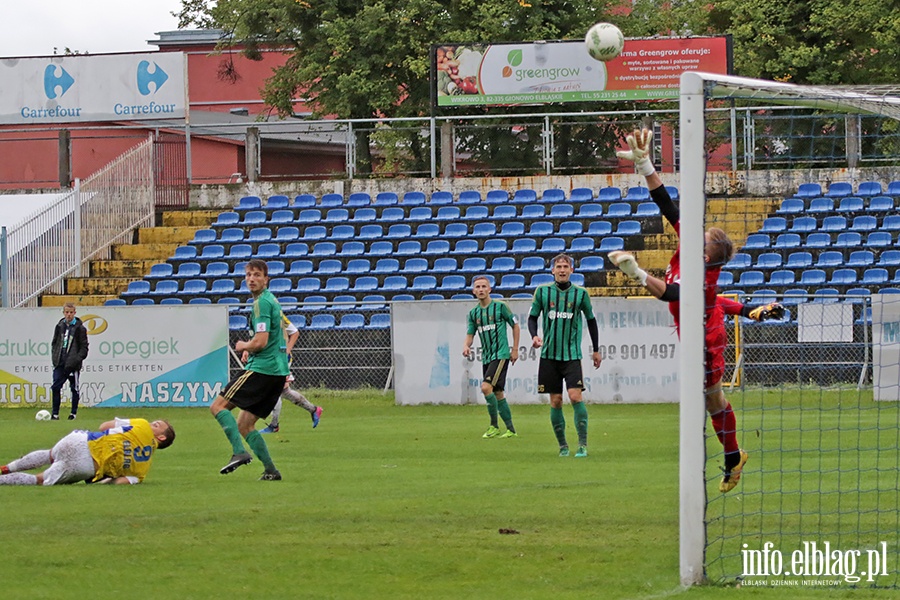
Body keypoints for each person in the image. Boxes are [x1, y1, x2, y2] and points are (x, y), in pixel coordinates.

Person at [609, 127, 783, 492]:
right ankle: (734, 456)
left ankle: (733, 457)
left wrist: (637, 273)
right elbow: (666, 205)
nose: (693, 232)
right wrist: (645, 165)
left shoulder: (702, 277)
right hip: (703, 323)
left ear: (705, 256)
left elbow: (671, 294)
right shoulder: (693, 248)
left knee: (711, 399)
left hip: (705, 342)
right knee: (711, 400)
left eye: (701, 236)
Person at [210, 259, 290, 481]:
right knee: (245, 424)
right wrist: (254, 349)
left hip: (263, 369)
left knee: (218, 406)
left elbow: (261, 341)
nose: (251, 279)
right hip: (276, 372)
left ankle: (239, 452)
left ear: (266, 279)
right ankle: (271, 471)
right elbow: (275, 337)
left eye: (256, 275)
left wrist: (245, 345)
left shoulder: (262, 303)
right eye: (248, 275)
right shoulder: (271, 301)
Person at [528, 254, 602, 457]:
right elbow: (532, 317)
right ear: (552, 270)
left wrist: (596, 349)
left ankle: (583, 444)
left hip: (571, 355)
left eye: (565, 267)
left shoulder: (580, 294)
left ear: (571, 271)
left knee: (575, 395)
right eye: (558, 266)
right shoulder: (543, 292)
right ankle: (563, 447)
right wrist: (534, 336)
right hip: (549, 355)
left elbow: (591, 321)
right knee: (556, 401)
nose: (562, 270)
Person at [0, 417, 175, 486]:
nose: (152, 423)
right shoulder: (142, 470)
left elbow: (104, 426)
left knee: (50, 454)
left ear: (161, 438)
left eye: (157, 425)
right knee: (39, 480)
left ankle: (6, 468)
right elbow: (118, 483)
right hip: (85, 467)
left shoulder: (142, 425)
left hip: (81, 440)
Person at [462, 276, 521, 438]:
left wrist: (514, 349)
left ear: (490, 289)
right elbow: (470, 334)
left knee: (485, 387)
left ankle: (494, 426)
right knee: (498, 393)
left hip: (500, 354)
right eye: (478, 287)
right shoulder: (474, 313)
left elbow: (515, 325)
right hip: (487, 357)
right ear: (473, 291)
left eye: (483, 286)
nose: (481, 289)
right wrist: (466, 345)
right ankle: (511, 430)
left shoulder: (501, 307)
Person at [261, 312, 323, 434]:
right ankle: (314, 410)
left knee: (274, 391)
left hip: (280, 359)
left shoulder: (277, 316)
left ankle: (274, 425)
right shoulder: (260, 316)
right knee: (284, 391)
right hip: (270, 359)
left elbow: (294, 332)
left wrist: (287, 351)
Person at [50, 302, 89, 421]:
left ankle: (73, 413)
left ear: (75, 313)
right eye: (67, 312)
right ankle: (55, 414)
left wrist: (76, 360)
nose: (69, 315)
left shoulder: (80, 329)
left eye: (71, 312)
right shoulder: (59, 326)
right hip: (60, 363)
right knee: (56, 387)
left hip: (73, 365)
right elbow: (55, 343)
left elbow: (84, 347)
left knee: (74, 388)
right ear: (63, 313)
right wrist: (55, 357)